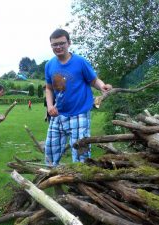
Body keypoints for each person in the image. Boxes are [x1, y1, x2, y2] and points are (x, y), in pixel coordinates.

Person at [44, 29, 112, 166]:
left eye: (61, 43)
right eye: (54, 44)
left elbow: (93, 80)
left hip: (79, 113)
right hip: (58, 112)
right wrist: (50, 106)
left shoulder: (80, 62)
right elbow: (49, 88)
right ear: (51, 46)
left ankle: (81, 181)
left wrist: (102, 86)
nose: (58, 47)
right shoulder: (49, 65)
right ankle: (49, 177)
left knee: (81, 151)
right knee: (51, 149)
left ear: (69, 43)